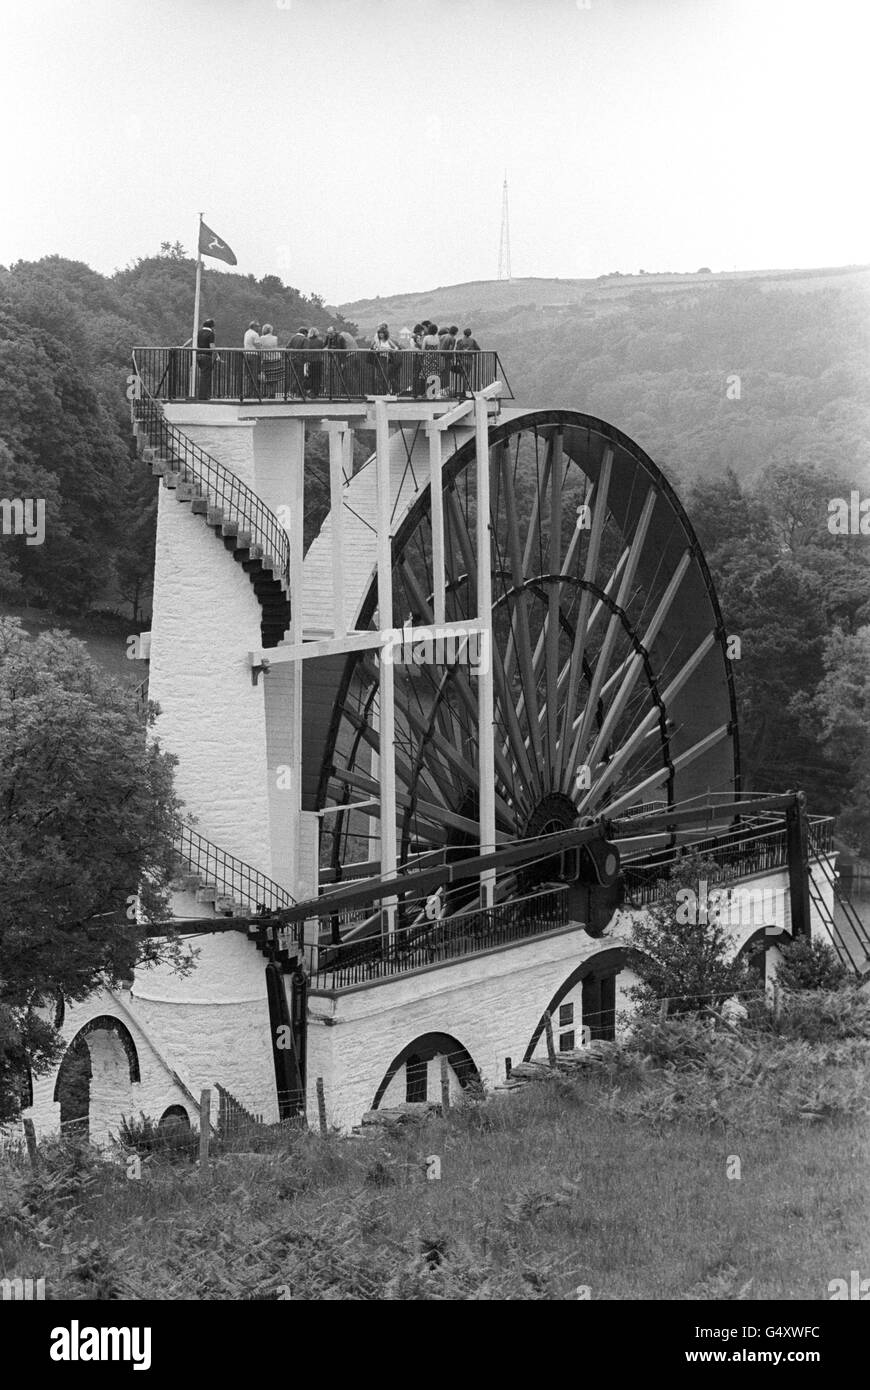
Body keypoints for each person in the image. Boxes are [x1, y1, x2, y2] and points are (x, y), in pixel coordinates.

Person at [257, 322, 280, 397]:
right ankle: (273, 393)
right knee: (274, 377)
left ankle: (266, 393)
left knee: (266, 377)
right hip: (275, 359)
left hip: (266, 359)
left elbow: (260, 348)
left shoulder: (261, 338)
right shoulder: (275, 338)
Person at [323, 326, 346, 395]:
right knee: (329, 374)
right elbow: (324, 344)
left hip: (337, 357)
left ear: (335, 332)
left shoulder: (340, 338)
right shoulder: (328, 337)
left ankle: (338, 392)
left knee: (337, 375)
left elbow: (344, 350)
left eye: (331, 333)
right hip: (330, 356)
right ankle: (329, 392)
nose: (329, 335)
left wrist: (342, 362)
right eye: (328, 333)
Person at [196, 318, 216, 400]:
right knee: (205, 376)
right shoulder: (211, 334)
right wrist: (216, 354)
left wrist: (183, 346)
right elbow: (211, 346)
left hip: (198, 355)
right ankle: (203, 396)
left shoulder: (199, 332)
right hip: (207, 356)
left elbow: (192, 340)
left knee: (203, 375)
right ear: (211, 326)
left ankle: (203, 395)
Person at [286, 325, 308, 395]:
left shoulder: (293, 337)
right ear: (305, 333)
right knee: (299, 376)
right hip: (301, 360)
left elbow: (287, 347)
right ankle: (292, 390)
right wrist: (305, 359)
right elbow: (306, 350)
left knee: (294, 375)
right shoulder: (305, 339)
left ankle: (299, 392)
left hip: (292, 359)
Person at [306, 325, 325, 396]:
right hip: (319, 361)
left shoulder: (308, 341)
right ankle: (316, 391)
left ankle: (311, 391)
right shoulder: (320, 341)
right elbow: (322, 349)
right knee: (318, 377)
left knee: (311, 376)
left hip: (310, 361)